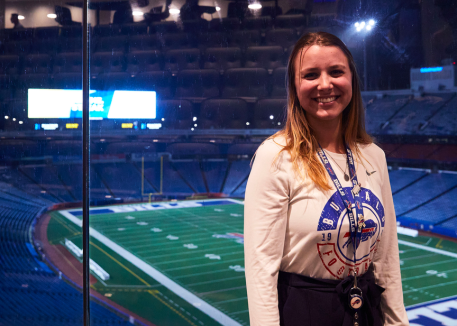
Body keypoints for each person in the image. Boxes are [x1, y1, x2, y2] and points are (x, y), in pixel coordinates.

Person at [244, 32, 409, 326]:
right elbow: (261, 270)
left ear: (351, 81)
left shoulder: (374, 156)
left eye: (336, 72)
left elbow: (386, 258)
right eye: (310, 75)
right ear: (295, 87)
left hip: (366, 307)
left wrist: (397, 322)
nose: (325, 84)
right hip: (305, 310)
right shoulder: (275, 156)